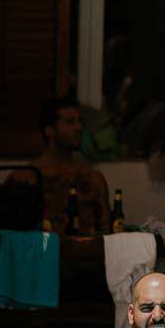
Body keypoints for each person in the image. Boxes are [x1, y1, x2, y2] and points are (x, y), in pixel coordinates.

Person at [30, 96, 112, 236]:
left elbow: (107, 230)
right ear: (50, 130)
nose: (79, 128)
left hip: (87, 254)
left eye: (80, 122)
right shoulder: (29, 177)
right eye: (70, 122)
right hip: (43, 254)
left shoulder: (93, 178)